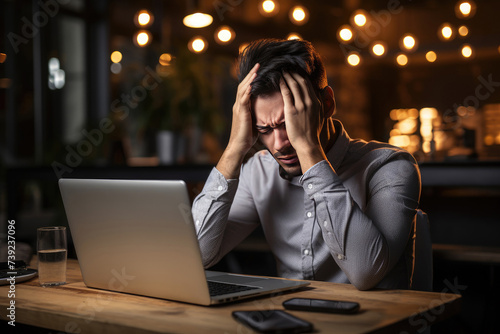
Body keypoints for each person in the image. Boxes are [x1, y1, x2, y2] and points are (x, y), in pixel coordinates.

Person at [192, 38, 421, 290]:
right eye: (264, 129)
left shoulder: (390, 167)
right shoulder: (258, 171)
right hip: (289, 322)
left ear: (327, 104)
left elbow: (365, 272)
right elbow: (197, 256)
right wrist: (235, 147)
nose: (279, 143)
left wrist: (308, 148)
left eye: (290, 122)